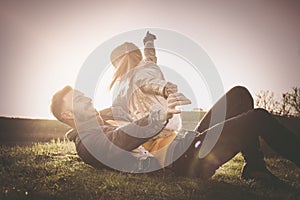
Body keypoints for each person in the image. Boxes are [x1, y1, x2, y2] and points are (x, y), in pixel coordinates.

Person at [51, 85, 300, 180]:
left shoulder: (105, 119)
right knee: (257, 119)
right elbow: (118, 141)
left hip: (186, 142)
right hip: (184, 160)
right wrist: (158, 115)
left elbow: (131, 94)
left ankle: (254, 165)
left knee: (239, 96)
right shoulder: (88, 142)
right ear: (68, 116)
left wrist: (160, 91)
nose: (89, 100)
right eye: (80, 101)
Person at [102, 32, 180, 165]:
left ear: (117, 62)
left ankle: (142, 158)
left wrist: (163, 87)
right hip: (168, 123)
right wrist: (149, 42)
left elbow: (146, 83)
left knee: (109, 130)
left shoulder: (133, 77)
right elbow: (151, 56)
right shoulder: (148, 65)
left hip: (152, 124)